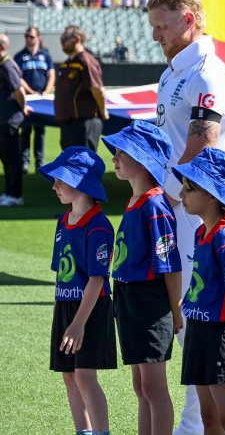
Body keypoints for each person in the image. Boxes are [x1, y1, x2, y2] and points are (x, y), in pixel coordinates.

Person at [148, 0, 225, 435]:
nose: (156, 36)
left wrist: (164, 194)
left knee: (198, 312)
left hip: (194, 209)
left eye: (163, 26)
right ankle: (193, 422)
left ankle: (196, 424)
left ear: (189, 18)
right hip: (175, 207)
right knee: (185, 313)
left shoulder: (207, 72)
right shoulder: (173, 71)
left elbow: (203, 144)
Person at [102, 120, 182, 435]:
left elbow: (170, 264)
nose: (115, 157)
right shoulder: (136, 201)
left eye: (122, 152)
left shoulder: (156, 205)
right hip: (129, 300)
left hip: (150, 302)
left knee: (153, 387)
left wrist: (175, 309)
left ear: (143, 159)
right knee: (139, 384)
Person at [175, 148, 225, 435]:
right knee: (208, 417)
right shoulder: (201, 232)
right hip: (198, 330)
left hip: (221, 334)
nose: (182, 195)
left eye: (189, 188)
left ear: (212, 195)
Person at [42, 146, 117, 435]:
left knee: (85, 376)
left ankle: (101, 432)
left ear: (83, 184)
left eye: (62, 179)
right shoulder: (63, 221)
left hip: (90, 310)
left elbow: (97, 279)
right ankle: (82, 431)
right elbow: (61, 273)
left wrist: (77, 324)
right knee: (70, 377)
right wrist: (60, 313)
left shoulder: (99, 226)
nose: (55, 185)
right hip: (66, 307)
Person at [54, 25, 108, 151]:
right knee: (70, 165)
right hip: (68, 123)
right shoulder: (66, 64)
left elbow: (98, 90)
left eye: (65, 38)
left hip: (84, 122)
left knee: (82, 164)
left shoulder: (85, 62)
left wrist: (103, 111)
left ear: (77, 39)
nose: (62, 41)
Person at [16, 25, 53, 172]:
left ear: (38, 37)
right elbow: (17, 77)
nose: (28, 39)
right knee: (25, 130)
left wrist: (46, 92)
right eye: (26, 36)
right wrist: (31, 92)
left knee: (40, 131)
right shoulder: (20, 56)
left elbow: (51, 74)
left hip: (42, 98)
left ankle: (40, 162)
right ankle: (24, 162)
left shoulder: (45, 55)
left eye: (31, 36)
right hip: (27, 99)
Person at [0, 33, 26, 207]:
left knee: (12, 158)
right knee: (5, 158)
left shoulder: (7, 65)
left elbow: (19, 90)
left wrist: (22, 108)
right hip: (4, 118)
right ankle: (9, 191)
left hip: (9, 119)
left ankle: (15, 195)